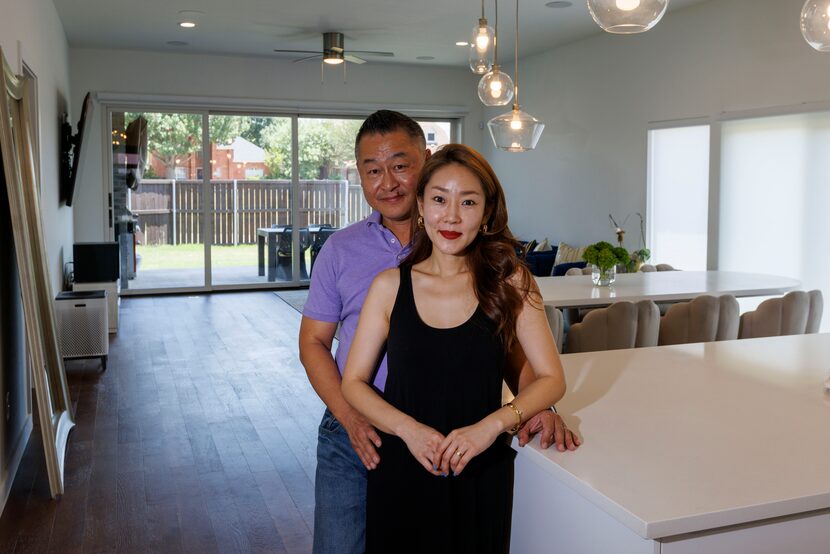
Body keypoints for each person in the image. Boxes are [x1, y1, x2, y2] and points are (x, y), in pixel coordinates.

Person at [299, 110, 579, 554]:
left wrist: (527, 409)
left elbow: (515, 359)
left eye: (399, 165)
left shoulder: (505, 277)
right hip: (367, 429)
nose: (387, 181)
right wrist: (362, 419)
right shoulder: (362, 264)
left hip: (469, 447)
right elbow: (316, 346)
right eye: (372, 169)